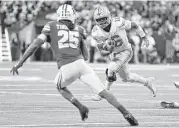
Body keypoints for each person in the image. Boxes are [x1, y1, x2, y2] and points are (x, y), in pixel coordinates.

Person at [10, 4, 138, 126]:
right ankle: (126, 113)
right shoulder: (80, 29)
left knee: (59, 86)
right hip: (82, 65)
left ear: (59, 15)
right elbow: (86, 56)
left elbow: (35, 45)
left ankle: (80, 107)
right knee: (104, 92)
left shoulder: (51, 26)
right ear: (73, 15)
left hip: (67, 66)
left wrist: (19, 63)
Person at [91, 6, 157, 101]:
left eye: (103, 18)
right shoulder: (96, 32)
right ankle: (147, 82)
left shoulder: (117, 22)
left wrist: (144, 37)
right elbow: (100, 48)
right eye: (99, 20)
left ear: (108, 16)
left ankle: (103, 93)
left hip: (125, 50)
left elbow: (134, 25)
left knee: (111, 69)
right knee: (127, 77)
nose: (101, 22)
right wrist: (107, 47)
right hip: (114, 54)